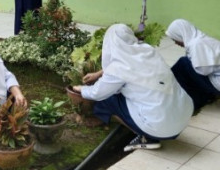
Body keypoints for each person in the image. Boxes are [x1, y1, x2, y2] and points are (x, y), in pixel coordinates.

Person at [72, 24, 193, 152]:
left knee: (108, 98)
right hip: (182, 118)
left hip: (159, 129)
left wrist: (81, 89)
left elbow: (97, 93)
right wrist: (98, 74)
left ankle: (145, 137)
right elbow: (128, 65)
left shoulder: (118, 68)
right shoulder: (148, 51)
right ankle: (144, 126)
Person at [166, 19, 220, 111]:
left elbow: (203, 71)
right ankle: (204, 96)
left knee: (183, 64)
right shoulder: (204, 39)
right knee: (188, 67)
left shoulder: (196, 44)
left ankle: (174, 95)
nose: (176, 43)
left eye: (175, 39)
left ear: (181, 34)